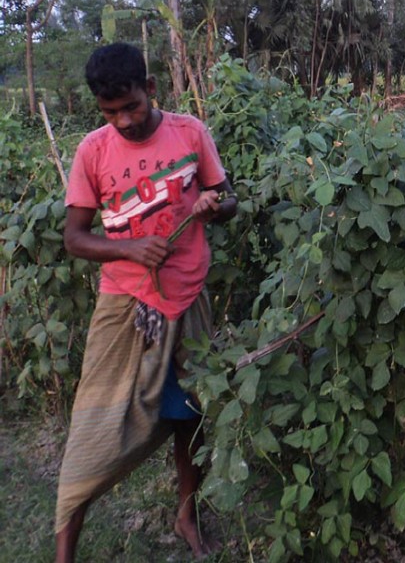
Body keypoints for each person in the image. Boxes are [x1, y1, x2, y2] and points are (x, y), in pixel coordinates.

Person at [55, 42, 237, 562]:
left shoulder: (190, 133)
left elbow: (229, 198)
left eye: (131, 106)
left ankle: (187, 515)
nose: (124, 120)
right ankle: (65, 548)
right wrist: (131, 248)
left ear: (150, 89)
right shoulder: (93, 150)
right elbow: (74, 238)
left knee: (190, 417)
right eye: (110, 113)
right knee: (94, 426)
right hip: (125, 306)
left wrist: (211, 206)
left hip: (188, 299)